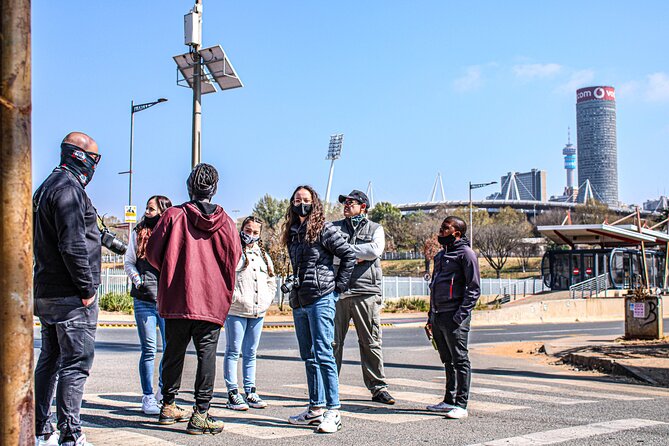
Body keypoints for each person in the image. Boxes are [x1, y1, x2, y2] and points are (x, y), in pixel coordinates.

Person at [146, 163, 241, 435]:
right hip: (211, 300)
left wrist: (172, 268)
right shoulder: (227, 223)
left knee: (173, 353)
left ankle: (168, 405)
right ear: (214, 189)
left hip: (178, 295)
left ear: (189, 186)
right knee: (206, 356)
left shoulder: (173, 216)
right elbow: (234, 259)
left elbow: (152, 254)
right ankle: (200, 414)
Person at [33, 132, 101, 446]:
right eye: (95, 158)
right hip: (71, 296)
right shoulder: (69, 191)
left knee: (50, 360)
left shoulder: (45, 188)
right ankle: (70, 436)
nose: (96, 166)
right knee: (75, 365)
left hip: (46, 290)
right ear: (79, 155)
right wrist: (87, 289)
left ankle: (42, 430)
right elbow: (73, 245)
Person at [282, 185, 356, 434]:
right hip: (300, 299)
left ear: (314, 202)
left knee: (324, 353)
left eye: (305, 199)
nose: (300, 203)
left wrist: (337, 289)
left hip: (321, 297)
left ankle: (333, 410)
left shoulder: (325, 228)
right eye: (296, 199)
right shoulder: (293, 231)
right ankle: (315, 408)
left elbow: (348, 256)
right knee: (309, 355)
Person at [332, 190, 395, 405]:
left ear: (363, 207)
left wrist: (345, 252)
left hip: (365, 292)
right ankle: (329, 388)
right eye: (345, 202)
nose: (347, 205)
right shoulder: (333, 227)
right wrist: (356, 255)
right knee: (332, 343)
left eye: (352, 202)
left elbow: (374, 251)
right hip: (338, 292)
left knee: (370, 342)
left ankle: (378, 388)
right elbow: (329, 252)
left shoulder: (376, 229)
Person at [426, 216, 481, 419]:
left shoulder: (466, 255)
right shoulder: (440, 257)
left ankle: (461, 404)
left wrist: (460, 315)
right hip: (439, 315)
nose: (440, 231)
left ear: (456, 233)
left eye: (445, 228)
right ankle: (448, 400)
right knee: (447, 360)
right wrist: (431, 316)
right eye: (441, 227)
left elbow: (474, 289)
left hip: (455, 315)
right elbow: (434, 287)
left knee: (460, 359)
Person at [124, 195, 172, 415]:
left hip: (166, 300)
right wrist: (138, 280)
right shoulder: (138, 233)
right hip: (144, 299)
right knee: (149, 350)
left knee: (169, 350)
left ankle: (164, 391)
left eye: (151, 209)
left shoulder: (171, 235)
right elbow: (129, 261)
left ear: (163, 212)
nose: (147, 212)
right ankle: (147, 396)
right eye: (146, 208)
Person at [224, 216, 277, 411]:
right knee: (233, 351)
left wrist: (266, 300)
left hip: (258, 312)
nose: (251, 235)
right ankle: (232, 392)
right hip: (237, 310)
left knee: (251, 352)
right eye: (248, 230)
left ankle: (250, 390)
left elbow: (271, 280)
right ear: (242, 229)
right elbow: (224, 278)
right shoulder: (234, 251)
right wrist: (233, 298)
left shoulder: (263, 255)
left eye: (255, 232)